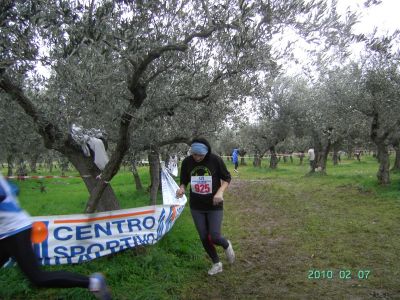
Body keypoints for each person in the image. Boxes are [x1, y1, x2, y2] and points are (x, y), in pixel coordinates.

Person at [0, 172, 111, 300]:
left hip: (14, 231)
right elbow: (15, 189)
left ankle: (94, 282)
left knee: (38, 278)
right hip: (8, 230)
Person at [176, 138, 235, 275]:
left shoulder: (215, 160)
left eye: (200, 155)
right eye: (194, 154)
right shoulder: (187, 162)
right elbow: (184, 181)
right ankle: (217, 263)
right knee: (203, 236)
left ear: (206, 153)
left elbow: (227, 178)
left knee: (214, 236)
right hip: (196, 206)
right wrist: (182, 189)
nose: (197, 158)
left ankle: (226, 244)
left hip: (214, 204)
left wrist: (220, 192)